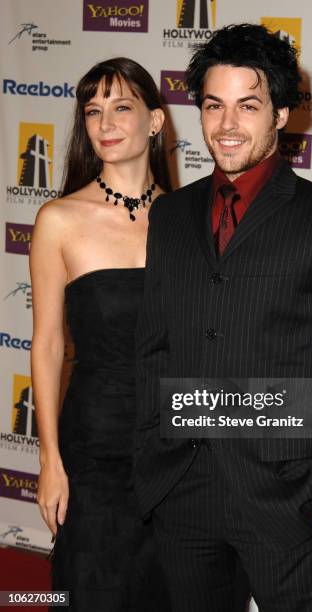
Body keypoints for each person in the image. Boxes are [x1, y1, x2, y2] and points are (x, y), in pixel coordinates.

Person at [134, 24, 312, 612]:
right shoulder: (170, 216)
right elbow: (152, 349)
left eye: (248, 106)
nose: (227, 126)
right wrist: (151, 460)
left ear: (280, 114)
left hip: (288, 505)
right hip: (182, 494)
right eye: (214, 106)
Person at [30, 57, 171, 611]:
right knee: (89, 592)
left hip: (175, 449)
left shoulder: (188, 218)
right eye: (93, 111)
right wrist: (49, 459)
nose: (105, 123)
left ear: (155, 121)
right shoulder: (59, 219)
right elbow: (45, 344)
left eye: (121, 107)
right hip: (93, 450)